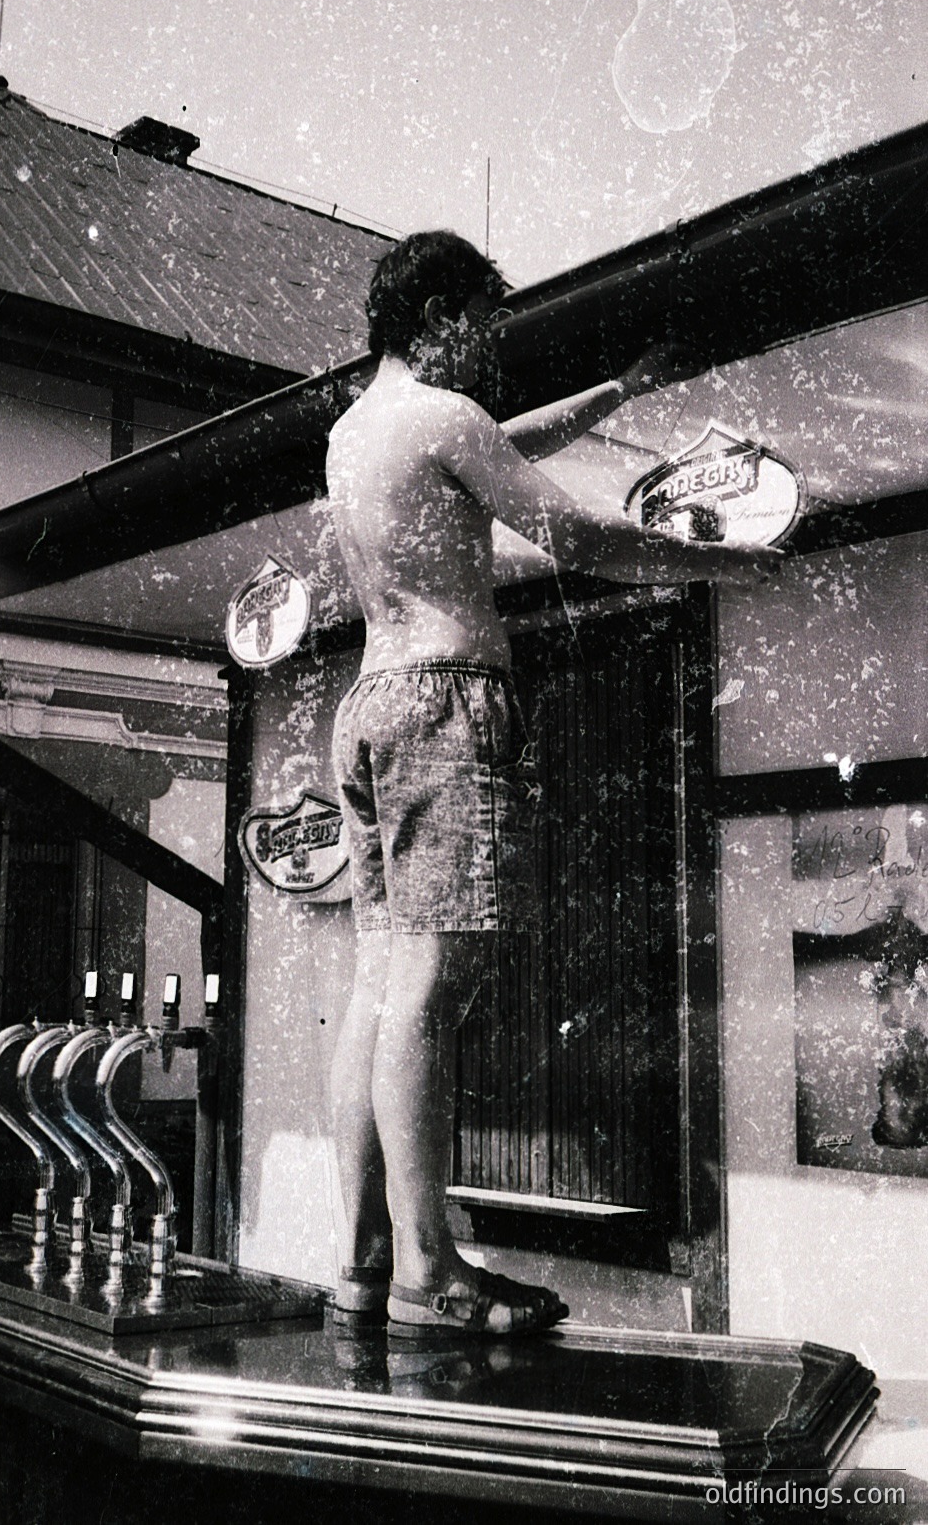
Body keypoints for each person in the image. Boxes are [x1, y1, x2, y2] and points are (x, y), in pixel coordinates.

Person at [326, 230, 778, 1344]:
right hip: (443, 701)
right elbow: (573, 532)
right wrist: (729, 560)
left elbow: (498, 448)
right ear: (435, 312)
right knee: (431, 989)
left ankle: (364, 1261)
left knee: (381, 983)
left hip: (368, 704)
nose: (487, 343)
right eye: (478, 318)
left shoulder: (360, 427)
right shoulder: (445, 416)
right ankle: (432, 1274)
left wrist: (617, 391)